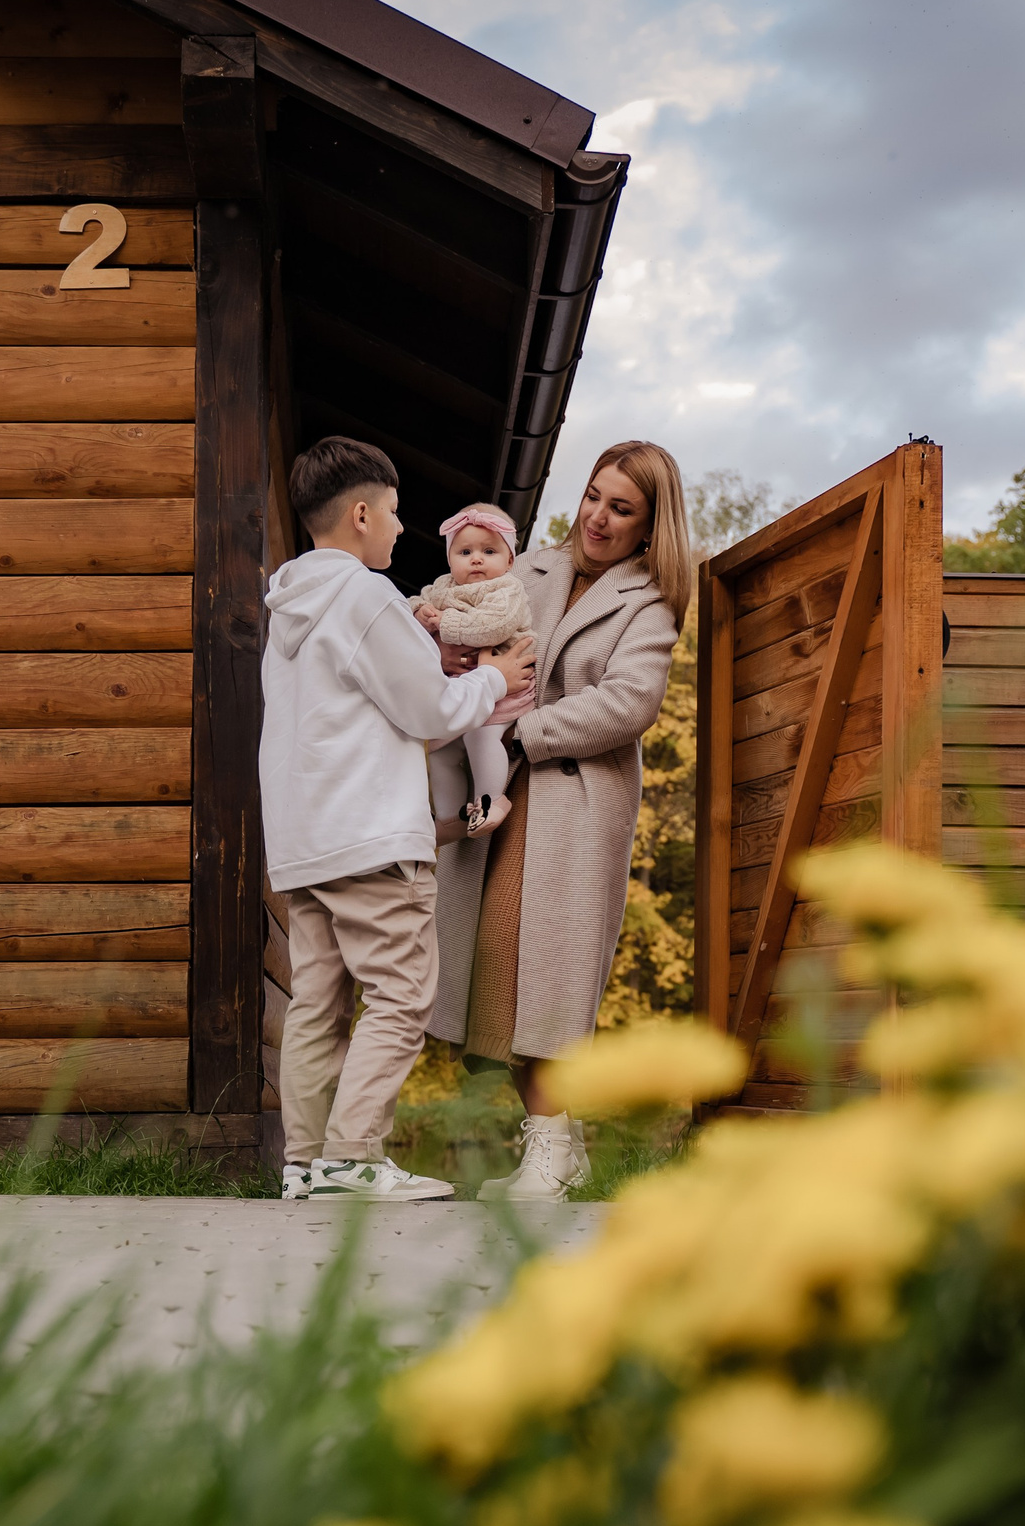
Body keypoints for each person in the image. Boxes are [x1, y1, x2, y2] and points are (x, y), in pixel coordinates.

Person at [260, 437, 537, 1202]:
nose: (398, 525)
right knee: (400, 995)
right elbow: (430, 710)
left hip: (305, 842)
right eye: (392, 510)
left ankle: (304, 1164)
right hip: (371, 836)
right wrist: (494, 678)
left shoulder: (288, 607)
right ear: (360, 514)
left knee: (317, 1004)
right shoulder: (366, 595)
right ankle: (352, 1157)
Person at [429, 440, 699, 1200]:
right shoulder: (530, 568)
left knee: (541, 977)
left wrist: (525, 732)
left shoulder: (649, 601)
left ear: (650, 524)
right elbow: (461, 608)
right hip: (497, 790)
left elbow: (630, 702)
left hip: (570, 806)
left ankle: (551, 1150)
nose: (598, 518)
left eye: (622, 508)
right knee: (499, 970)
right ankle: (559, 1144)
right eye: (593, 497)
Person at [412, 503, 534, 837]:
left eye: (489, 551)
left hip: (506, 683)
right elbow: (413, 602)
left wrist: (445, 623)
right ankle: (449, 816)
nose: (476, 559)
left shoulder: (506, 589)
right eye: (465, 552)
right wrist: (418, 612)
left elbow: (494, 627)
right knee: (440, 750)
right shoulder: (442, 587)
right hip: (459, 685)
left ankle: (490, 799)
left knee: (481, 735)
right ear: (450, 559)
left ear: (510, 561)